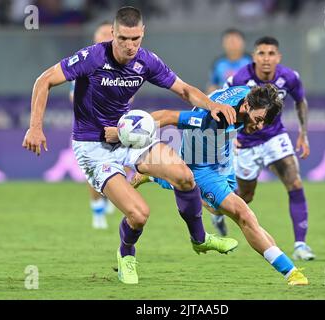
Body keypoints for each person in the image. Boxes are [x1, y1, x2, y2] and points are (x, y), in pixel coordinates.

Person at [22, 6, 238, 285]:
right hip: (93, 148)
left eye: (135, 39)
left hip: (128, 137)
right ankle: (126, 254)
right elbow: (44, 80)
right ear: (112, 33)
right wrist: (36, 126)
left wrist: (212, 104)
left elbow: (184, 89)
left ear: (143, 34)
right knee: (139, 214)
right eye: (123, 38)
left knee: (185, 177)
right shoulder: (93, 58)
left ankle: (200, 239)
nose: (129, 45)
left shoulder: (146, 61)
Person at [131, 84, 308, 285]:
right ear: (247, 106)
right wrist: (130, 132)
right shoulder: (216, 117)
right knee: (243, 215)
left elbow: (225, 91)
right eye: (258, 120)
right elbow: (168, 116)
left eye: (263, 123)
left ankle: (159, 178)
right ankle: (290, 272)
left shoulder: (248, 94)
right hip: (201, 167)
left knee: (223, 211)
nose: (259, 127)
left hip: (222, 157)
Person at [223, 36, 315, 261]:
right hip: (245, 144)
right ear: (253, 56)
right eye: (261, 53)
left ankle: (301, 244)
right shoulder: (241, 78)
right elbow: (219, 103)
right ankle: (218, 213)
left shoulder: (289, 77)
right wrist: (229, 134)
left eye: (271, 53)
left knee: (294, 182)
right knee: (245, 197)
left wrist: (303, 133)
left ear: (278, 57)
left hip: (275, 139)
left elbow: (300, 101)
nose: (266, 59)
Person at [69, 21, 116, 230]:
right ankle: (97, 210)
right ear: (95, 38)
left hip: (116, 127)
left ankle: (109, 197)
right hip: (90, 129)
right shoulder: (85, 62)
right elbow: (73, 95)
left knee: (120, 166)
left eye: (110, 33)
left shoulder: (123, 64)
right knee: (94, 172)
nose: (106, 36)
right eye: (102, 33)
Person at [206, 28, 252, 94]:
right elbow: (212, 85)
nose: (232, 44)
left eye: (236, 41)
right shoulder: (218, 64)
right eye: (229, 41)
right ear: (223, 44)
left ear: (243, 42)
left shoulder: (251, 61)